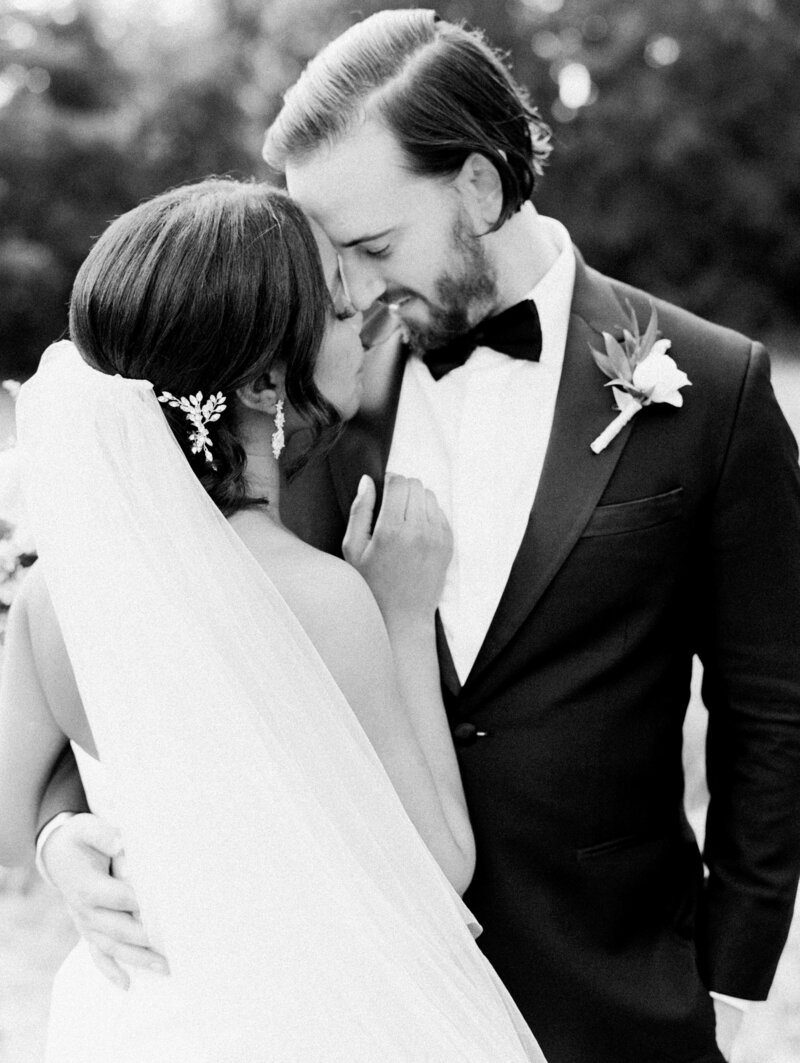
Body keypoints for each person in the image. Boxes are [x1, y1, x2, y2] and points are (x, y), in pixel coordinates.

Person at [28, 9, 800, 1063]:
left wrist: (732, 975)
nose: (343, 284)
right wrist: (66, 834)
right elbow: (153, 628)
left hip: (613, 994)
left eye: (370, 245)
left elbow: (773, 710)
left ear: (478, 189)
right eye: (323, 252)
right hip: (340, 1002)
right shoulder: (293, 389)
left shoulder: (711, 387)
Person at [0, 178, 548, 1061]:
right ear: (263, 380)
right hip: (312, 1023)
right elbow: (437, 866)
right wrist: (403, 616)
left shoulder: (51, 596)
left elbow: (10, 814)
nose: (365, 315)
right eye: (338, 308)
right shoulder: (323, 599)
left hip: (139, 1018)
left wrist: (63, 835)